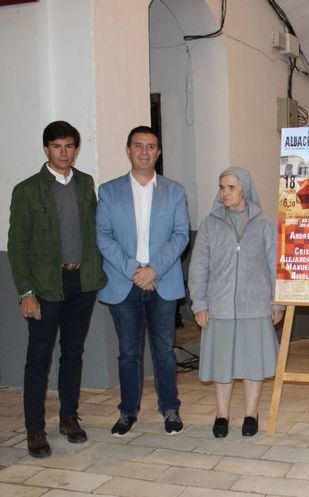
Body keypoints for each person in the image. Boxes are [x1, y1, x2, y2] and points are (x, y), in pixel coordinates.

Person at [8, 121, 107, 457]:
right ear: (46, 149)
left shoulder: (85, 184)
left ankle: (68, 418)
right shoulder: (27, 190)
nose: (64, 153)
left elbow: (92, 231)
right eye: (57, 147)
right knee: (38, 359)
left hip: (81, 283)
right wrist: (26, 293)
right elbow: (17, 245)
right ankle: (35, 429)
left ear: (76, 149)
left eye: (69, 146)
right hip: (45, 287)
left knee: (72, 354)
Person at [96, 126, 189, 437]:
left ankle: (170, 408)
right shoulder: (109, 192)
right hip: (124, 283)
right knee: (129, 353)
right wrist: (135, 270)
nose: (145, 151)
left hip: (163, 282)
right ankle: (127, 411)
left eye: (151, 146)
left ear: (158, 152)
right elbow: (103, 237)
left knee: (164, 350)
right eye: (138, 146)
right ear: (128, 150)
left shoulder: (174, 191)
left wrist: (154, 271)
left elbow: (180, 236)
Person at [189, 167, 284, 438]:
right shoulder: (209, 224)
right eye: (222, 187)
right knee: (222, 364)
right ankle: (221, 414)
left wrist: (277, 303)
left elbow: (274, 264)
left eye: (232, 187)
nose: (225, 193)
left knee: (253, 363)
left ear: (245, 189)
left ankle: (251, 413)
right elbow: (198, 267)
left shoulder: (264, 223)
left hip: (255, 306)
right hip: (219, 307)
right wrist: (200, 304)